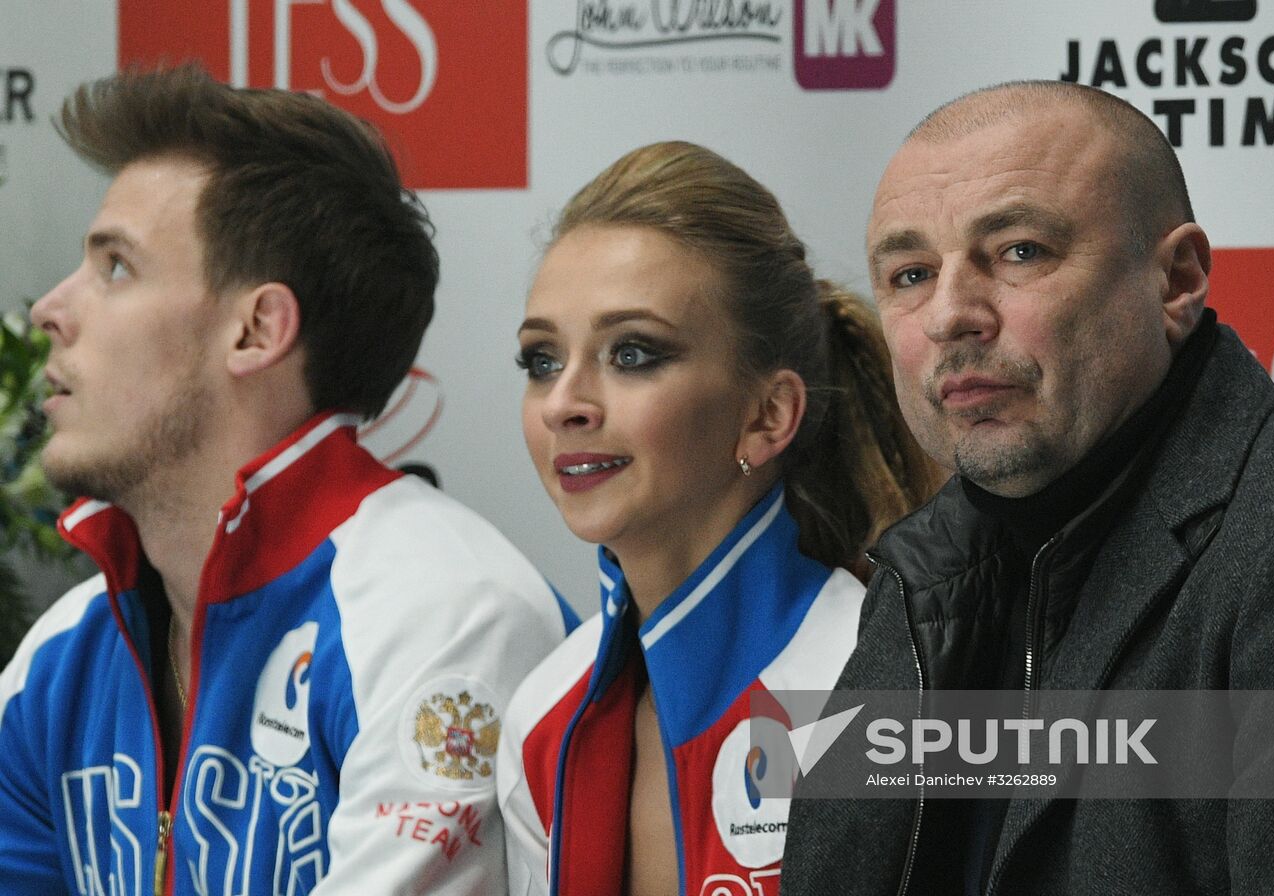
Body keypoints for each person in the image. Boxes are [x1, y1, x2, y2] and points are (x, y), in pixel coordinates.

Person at [780, 80, 1274, 894]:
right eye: (910, 274)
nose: (950, 315)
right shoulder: (917, 571)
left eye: (1019, 252)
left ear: (1175, 280)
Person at [0, 66, 573, 895]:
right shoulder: (59, 658)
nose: (52, 308)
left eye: (116, 267)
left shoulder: (446, 619)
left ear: (256, 329)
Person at [495, 141, 944, 895]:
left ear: (768, 415)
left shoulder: (884, 690)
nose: (564, 402)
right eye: (542, 359)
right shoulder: (544, 713)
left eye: (632, 353)